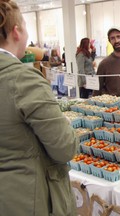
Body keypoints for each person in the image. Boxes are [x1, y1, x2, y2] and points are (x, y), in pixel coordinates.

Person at [0, 1, 78, 215]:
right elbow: (64, 148)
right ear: (17, 32)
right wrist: (66, 124)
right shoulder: (22, 80)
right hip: (30, 200)